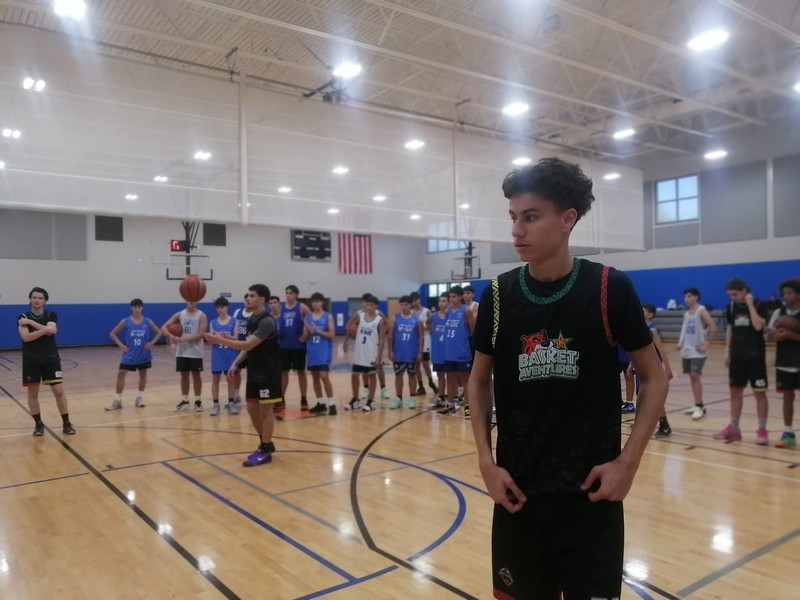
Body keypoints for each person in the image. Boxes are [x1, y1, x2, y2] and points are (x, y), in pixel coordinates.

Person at [468, 157, 668, 600]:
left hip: (591, 499)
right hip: (517, 496)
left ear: (567, 219)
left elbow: (655, 377)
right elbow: (478, 382)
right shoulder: (498, 295)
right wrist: (485, 461)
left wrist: (628, 463)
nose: (516, 230)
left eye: (530, 217)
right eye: (513, 217)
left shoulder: (609, 288)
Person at [206, 284, 280, 467]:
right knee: (252, 408)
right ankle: (266, 443)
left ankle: (265, 449)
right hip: (255, 371)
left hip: (268, 372)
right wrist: (235, 362)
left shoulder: (267, 321)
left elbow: (248, 344)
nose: (247, 298)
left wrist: (221, 340)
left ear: (262, 299)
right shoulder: (252, 319)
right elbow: (248, 346)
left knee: (266, 410)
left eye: (252, 296)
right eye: (247, 295)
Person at [714, 278, 769, 444]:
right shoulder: (731, 307)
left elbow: (758, 326)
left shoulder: (759, 304)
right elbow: (730, 329)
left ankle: (762, 430)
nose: (732, 297)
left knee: (760, 393)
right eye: (730, 295)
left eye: (735, 294)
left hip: (756, 356)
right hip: (737, 356)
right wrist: (727, 350)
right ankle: (734, 428)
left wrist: (750, 305)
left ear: (745, 290)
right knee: (735, 392)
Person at [17, 287, 77, 436]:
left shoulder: (51, 315)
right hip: (31, 360)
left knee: (58, 391)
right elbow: (26, 337)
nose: (37, 300)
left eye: (40, 298)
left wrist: (31, 323)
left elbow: (52, 330)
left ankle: (66, 423)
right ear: (30, 299)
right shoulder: (22, 316)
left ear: (45, 301)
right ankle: (38, 424)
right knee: (33, 392)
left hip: (51, 359)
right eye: (34, 297)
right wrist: (45, 330)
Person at [106, 298, 162, 410]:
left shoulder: (147, 321)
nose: (137, 309)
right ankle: (118, 400)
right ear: (131, 308)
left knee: (143, 374)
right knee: (121, 373)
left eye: (139, 307)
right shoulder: (125, 321)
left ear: (142, 308)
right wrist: (121, 345)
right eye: (135, 307)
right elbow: (112, 333)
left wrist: (152, 343)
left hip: (143, 354)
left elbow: (159, 332)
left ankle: (139, 398)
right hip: (130, 353)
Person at [767, 277, 800, 448]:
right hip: (785, 360)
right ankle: (788, 433)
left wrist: (790, 335)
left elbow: (792, 335)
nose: (786, 296)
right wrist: (774, 335)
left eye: (789, 293)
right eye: (784, 294)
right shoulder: (778, 313)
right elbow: (769, 335)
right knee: (787, 397)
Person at [677, 287, 717, 420]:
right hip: (687, 350)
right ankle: (698, 404)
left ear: (696, 297)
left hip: (698, 351)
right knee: (692, 377)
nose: (686, 299)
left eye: (689, 296)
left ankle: (699, 406)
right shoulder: (687, 314)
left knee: (695, 376)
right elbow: (684, 330)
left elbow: (713, 326)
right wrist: (680, 343)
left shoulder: (701, 310)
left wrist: (708, 345)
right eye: (685, 297)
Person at [162, 299, 208, 412]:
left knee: (196, 376)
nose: (191, 302)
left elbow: (201, 334)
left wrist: (182, 340)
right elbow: (163, 327)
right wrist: (172, 336)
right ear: (185, 301)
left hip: (195, 351)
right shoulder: (179, 314)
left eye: (193, 300)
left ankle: (198, 401)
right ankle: (185, 401)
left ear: (197, 302)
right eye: (188, 299)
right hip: (182, 351)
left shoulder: (201, 316)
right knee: (184, 376)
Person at [437, 285, 474, 418]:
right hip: (449, 352)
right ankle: (450, 404)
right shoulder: (448, 312)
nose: (451, 299)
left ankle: (468, 407)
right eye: (450, 297)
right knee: (450, 379)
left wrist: (466, 345)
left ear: (460, 297)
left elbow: (472, 330)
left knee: (465, 381)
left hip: (462, 351)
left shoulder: (466, 311)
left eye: (454, 296)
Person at [343, 295, 386, 412]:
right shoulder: (360, 316)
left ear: (376, 306)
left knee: (372, 375)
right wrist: (350, 337)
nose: (369, 307)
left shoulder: (379, 320)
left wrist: (379, 356)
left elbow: (382, 339)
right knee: (354, 375)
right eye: (367, 304)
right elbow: (348, 326)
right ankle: (355, 399)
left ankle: (371, 401)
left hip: (371, 352)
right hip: (359, 352)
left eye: (371, 305)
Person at [277, 285, 310, 415]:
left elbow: (310, 319)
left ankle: (303, 399)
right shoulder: (282, 308)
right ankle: (281, 398)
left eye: (290, 293)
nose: (288, 295)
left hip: (298, 346)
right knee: (283, 373)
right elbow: (279, 323)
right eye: (286, 293)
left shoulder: (302, 307)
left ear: (296, 294)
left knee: (301, 372)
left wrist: (305, 334)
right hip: (284, 345)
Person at [642, 304, 674, 437]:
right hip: (642, 367)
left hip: (652, 368)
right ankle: (644, 423)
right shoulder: (641, 328)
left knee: (654, 396)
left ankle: (664, 424)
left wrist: (668, 368)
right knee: (643, 396)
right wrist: (631, 365)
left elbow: (661, 350)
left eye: (643, 311)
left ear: (650, 315)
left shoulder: (652, 330)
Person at [387, 295, 424, 409]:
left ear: (411, 305)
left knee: (412, 375)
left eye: (406, 304)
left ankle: (412, 398)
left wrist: (420, 352)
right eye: (402, 305)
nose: (403, 307)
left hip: (412, 353)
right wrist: (390, 351)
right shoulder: (395, 318)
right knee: (398, 376)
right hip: (399, 353)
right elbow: (390, 335)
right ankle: (399, 398)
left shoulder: (417, 319)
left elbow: (421, 336)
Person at [304, 292, 337, 416]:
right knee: (315, 378)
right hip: (312, 351)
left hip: (323, 351)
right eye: (313, 302)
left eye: (317, 301)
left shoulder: (328, 316)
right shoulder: (308, 318)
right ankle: (320, 403)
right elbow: (305, 337)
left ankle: (332, 404)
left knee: (324, 376)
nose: (315, 304)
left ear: (322, 302)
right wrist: (307, 331)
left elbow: (332, 335)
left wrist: (317, 331)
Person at [356, 292, 391, 400]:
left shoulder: (379, 315)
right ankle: (366, 388)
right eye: (365, 303)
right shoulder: (360, 315)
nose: (366, 305)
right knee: (364, 368)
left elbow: (387, 324)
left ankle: (383, 388)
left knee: (379, 367)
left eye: (370, 304)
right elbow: (353, 327)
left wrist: (382, 333)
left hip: (374, 346)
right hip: (363, 347)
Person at [209, 297, 240, 415]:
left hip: (230, 353)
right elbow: (211, 340)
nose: (220, 309)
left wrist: (225, 337)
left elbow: (236, 338)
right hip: (217, 354)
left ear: (227, 307)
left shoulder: (234, 321)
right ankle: (215, 405)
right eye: (217, 307)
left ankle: (231, 403)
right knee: (215, 380)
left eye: (222, 307)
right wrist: (211, 338)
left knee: (230, 379)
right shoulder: (213, 323)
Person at [410, 291, 436, 395]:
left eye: (415, 300)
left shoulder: (427, 311)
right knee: (416, 365)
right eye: (412, 301)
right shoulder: (410, 312)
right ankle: (421, 386)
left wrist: (427, 327)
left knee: (425, 364)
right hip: (414, 341)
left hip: (425, 339)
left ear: (419, 299)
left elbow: (434, 326)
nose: (414, 303)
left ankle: (431, 382)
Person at [429, 292, 449, 408]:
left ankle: (453, 397)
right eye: (440, 301)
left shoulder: (452, 316)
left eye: (444, 301)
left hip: (450, 351)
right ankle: (441, 396)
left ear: (449, 302)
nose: (441, 303)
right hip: (438, 351)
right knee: (440, 376)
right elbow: (427, 324)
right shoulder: (433, 316)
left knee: (452, 376)